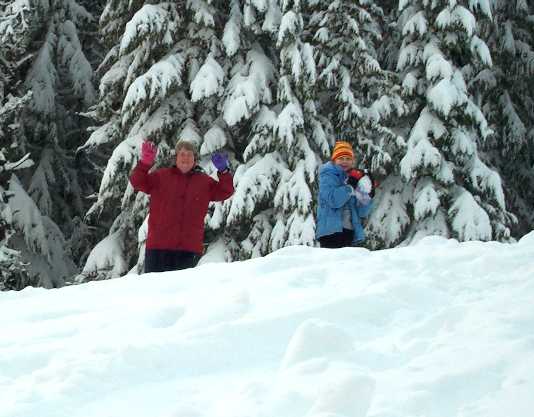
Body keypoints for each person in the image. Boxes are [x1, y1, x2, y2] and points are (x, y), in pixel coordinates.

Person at [130, 139, 234, 273]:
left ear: (194, 159)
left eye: (189, 154)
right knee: (154, 291)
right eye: (182, 154)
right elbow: (137, 181)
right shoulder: (161, 177)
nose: (186, 158)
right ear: (176, 158)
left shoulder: (204, 181)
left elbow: (225, 191)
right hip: (158, 248)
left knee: (183, 293)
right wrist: (144, 163)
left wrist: (224, 172)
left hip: (188, 250)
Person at [315, 140, 374, 248]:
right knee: (333, 263)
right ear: (334, 160)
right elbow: (333, 200)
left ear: (352, 161)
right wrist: (349, 187)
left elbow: (362, 212)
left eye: (348, 159)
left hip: (349, 231)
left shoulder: (354, 178)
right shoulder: (328, 175)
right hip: (331, 232)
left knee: (347, 264)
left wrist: (368, 195)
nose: (344, 161)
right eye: (340, 158)